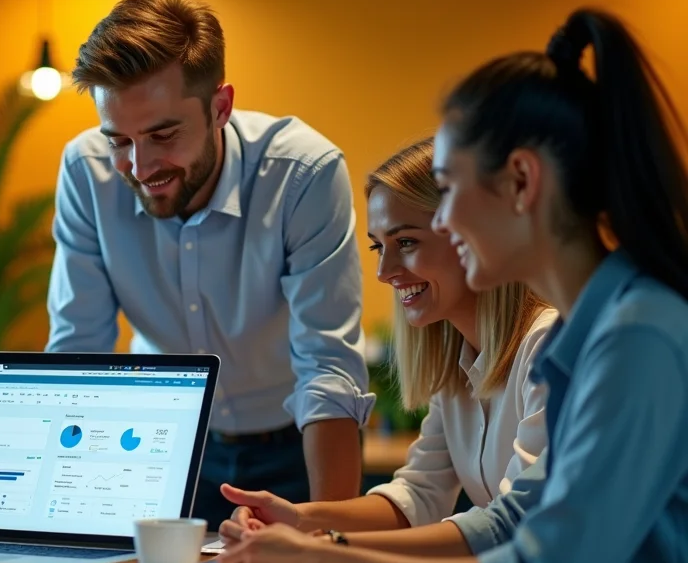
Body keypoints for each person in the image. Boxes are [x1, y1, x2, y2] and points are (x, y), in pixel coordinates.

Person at [217, 8, 688, 563]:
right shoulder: (589, 336)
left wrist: (325, 560)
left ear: (521, 181)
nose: (443, 222)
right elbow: (514, 524)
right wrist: (313, 533)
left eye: (446, 188)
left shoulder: (636, 338)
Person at [47, 0, 374, 523]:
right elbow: (79, 352)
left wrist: (328, 541)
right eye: (119, 141)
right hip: (156, 440)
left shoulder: (303, 175)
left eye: (162, 135)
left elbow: (328, 368)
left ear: (220, 107)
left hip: (296, 444)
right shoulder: (87, 172)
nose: (140, 167)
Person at [220, 139, 556, 534]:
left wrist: (330, 549)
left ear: (474, 236)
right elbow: (419, 493)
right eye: (379, 246)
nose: (384, 271)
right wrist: (298, 519)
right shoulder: (457, 365)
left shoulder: (548, 347)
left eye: (406, 242)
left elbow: (513, 524)